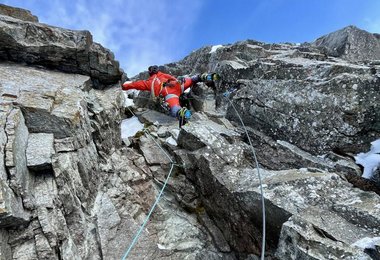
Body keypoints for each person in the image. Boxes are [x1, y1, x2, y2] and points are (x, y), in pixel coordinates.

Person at [122, 65, 220, 126]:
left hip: (169, 93)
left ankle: (181, 112)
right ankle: (206, 77)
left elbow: (135, 84)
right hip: (178, 84)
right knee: (193, 79)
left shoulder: (149, 82)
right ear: (157, 70)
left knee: (174, 107)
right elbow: (173, 78)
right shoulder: (163, 74)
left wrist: (123, 87)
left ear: (150, 73)